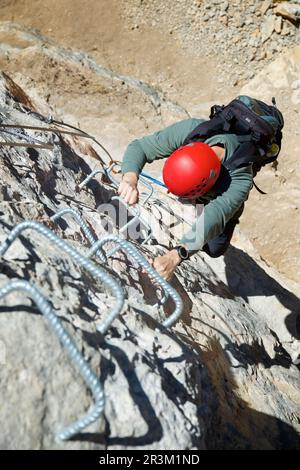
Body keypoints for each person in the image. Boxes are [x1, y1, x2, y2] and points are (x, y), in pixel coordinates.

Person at [118, 117, 253, 280]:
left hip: (223, 193)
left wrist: (175, 256)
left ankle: (231, 215)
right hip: (204, 179)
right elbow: (141, 147)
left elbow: (213, 218)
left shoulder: (239, 180)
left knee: (214, 248)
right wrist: (130, 179)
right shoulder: (192, 131)